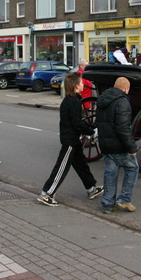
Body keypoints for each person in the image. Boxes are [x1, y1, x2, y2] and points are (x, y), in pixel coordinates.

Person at [38, 72, 103, 207]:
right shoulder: (73, 102)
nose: (83, 84)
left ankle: (91, 188)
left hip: (73, 139)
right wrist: (91, 131)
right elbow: (77, 124)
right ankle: (47, 193)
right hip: (70, 140)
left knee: (81, 165)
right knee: (61, 167)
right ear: (75, 86)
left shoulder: (72, 99)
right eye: (80, 83)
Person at [97, 77, 138, 214]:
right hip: (118, 145)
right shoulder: (122, 101)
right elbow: (123, 128)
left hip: (105, 144)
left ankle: (107, 204)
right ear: (126, 88)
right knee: (133, 168)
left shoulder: (103, 99)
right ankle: (124, 198)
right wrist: (132, 147)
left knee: (110, 173)